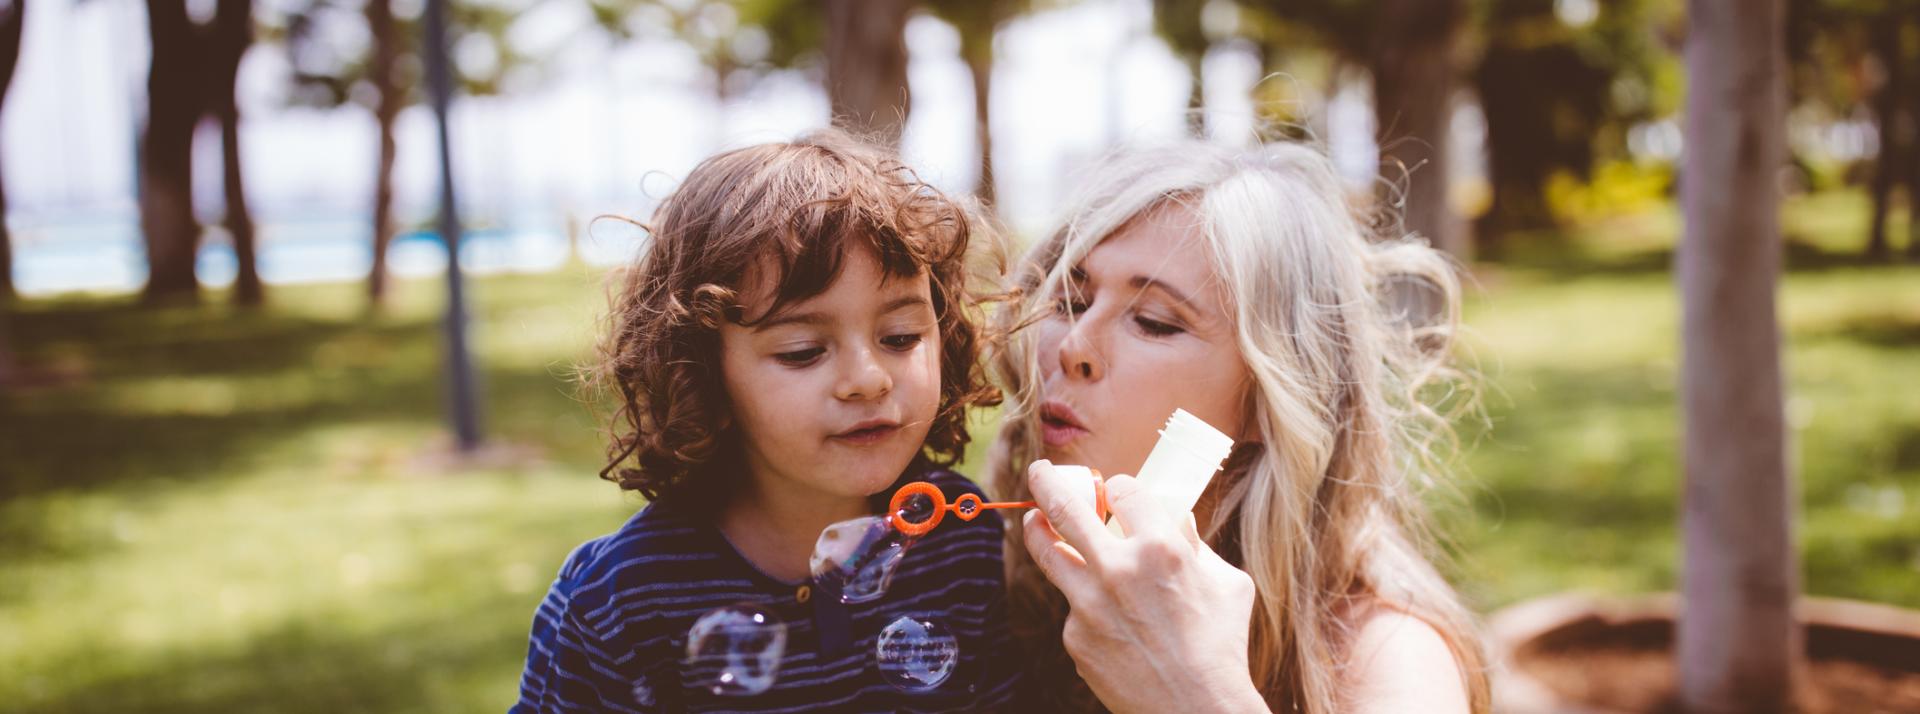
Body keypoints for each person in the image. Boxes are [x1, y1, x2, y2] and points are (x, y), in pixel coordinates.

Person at [511, 131, 1019, 712]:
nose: (869, 378)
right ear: (703, 374)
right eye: (803, 350)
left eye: (901, 337)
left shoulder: (957, 536)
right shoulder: (622, 598)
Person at [989, 139, 1491, 713]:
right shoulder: (998, 584)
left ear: (1270, 396)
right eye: (1072, 299)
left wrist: (1192, 692)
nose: (1073, 346)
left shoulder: (1388, 658)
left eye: (1154, 322)